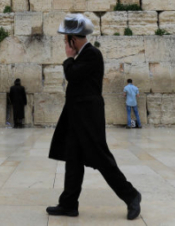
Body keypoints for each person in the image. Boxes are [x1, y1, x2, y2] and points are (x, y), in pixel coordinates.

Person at [47, 14, 142, 220]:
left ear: (74, 39)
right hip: (76, 117)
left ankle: (132, 195)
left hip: (88, 117)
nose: (65, 43)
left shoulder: (91, 54)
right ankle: (68, 204)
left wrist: (68, 58)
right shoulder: (84, 55)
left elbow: (72, 75)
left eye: (66, 40)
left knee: (101, 159)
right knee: (73, 160)